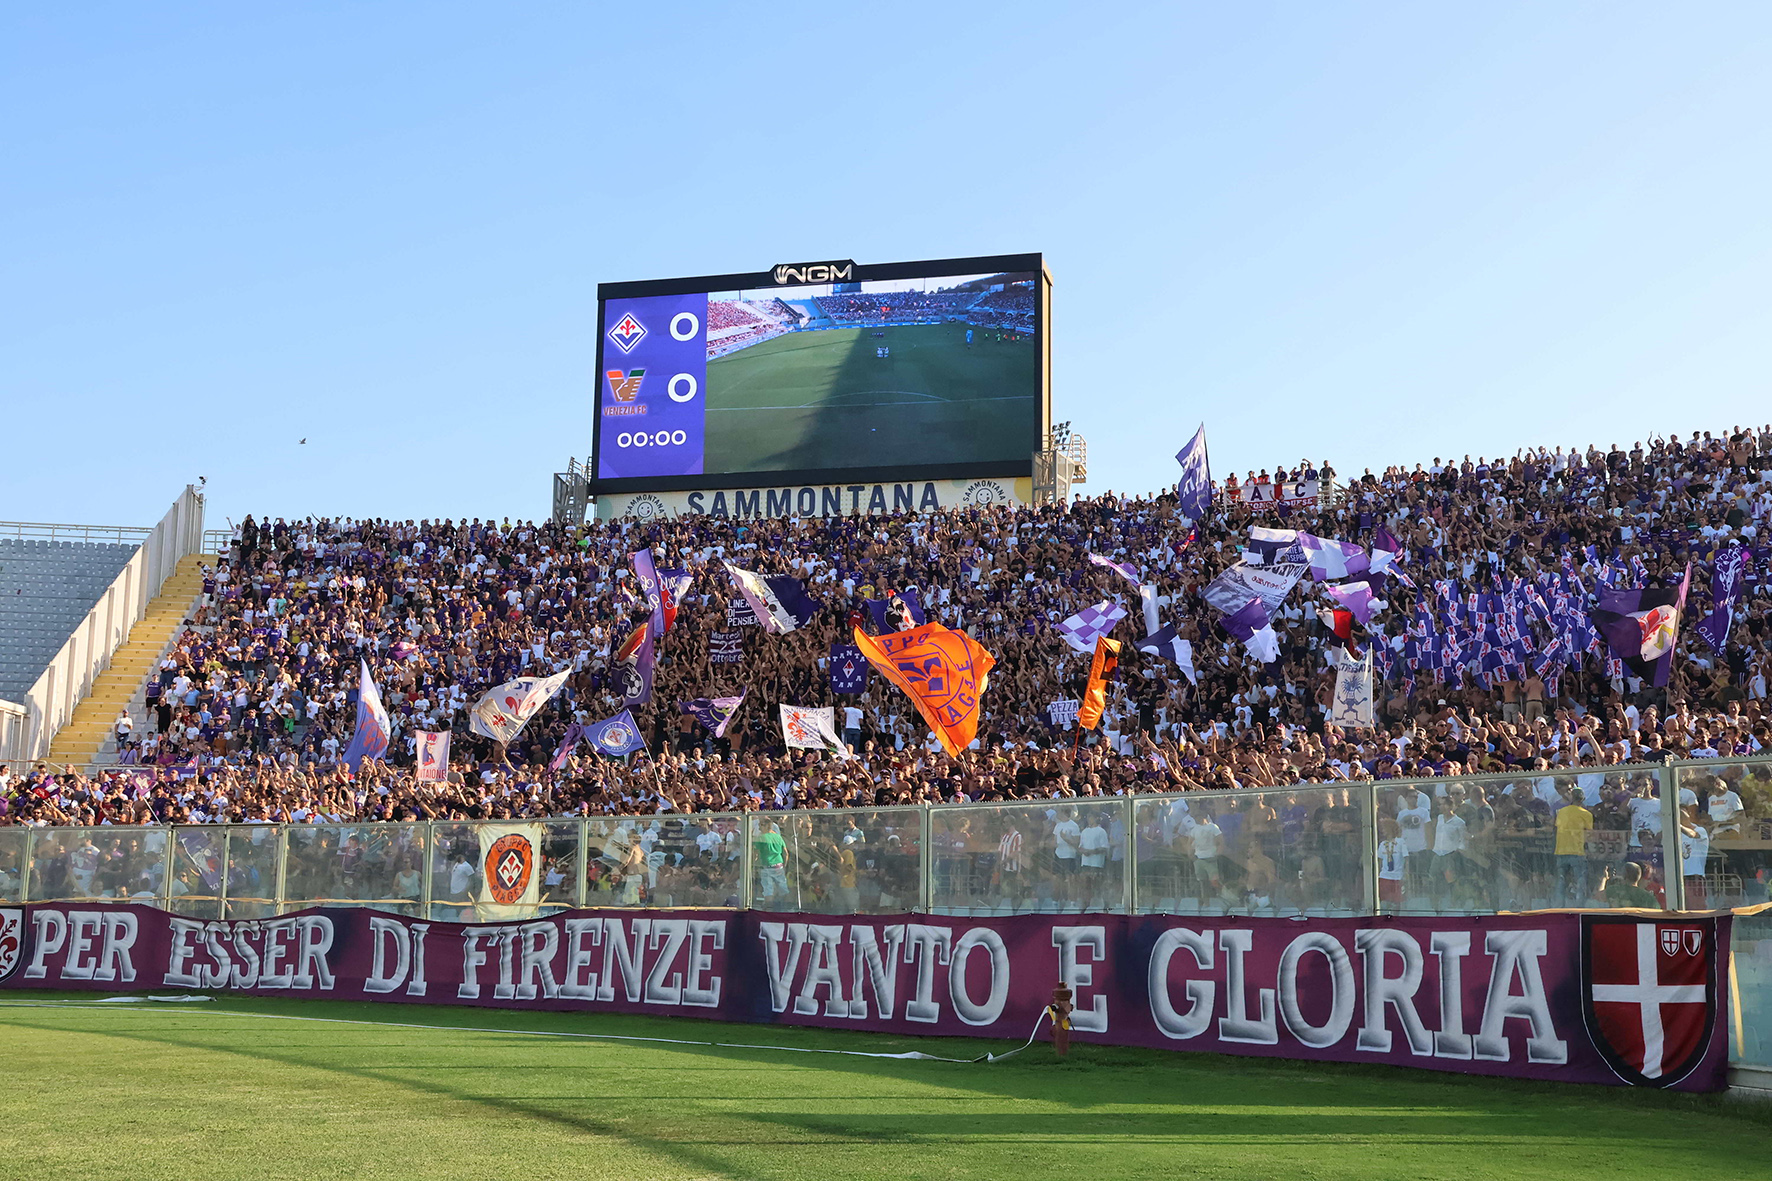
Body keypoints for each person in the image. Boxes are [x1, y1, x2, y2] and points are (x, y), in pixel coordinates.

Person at [1552, 785, 1594, 907]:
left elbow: (1557, 828)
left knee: (1561, 881)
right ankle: (1579, 907)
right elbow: (1589, 833)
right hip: (1577, 851)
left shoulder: (1561, 812)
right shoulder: (1586, 814)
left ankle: (1559, 907)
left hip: (1561, 850)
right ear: (1583, 799)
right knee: (1580, 882)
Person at [754, 819, 788, 905]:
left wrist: (754, 865)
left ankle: (768, 910)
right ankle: (782, 907)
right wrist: (784, 866)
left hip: (767, 866)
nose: (759, 827)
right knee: (783, 889)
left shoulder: (761, 838)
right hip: (779, 866)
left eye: (761, 825)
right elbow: (786, 853)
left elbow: (755, 854)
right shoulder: (778, 837)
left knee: (768, 890)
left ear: (766, 826)